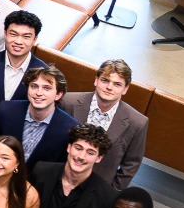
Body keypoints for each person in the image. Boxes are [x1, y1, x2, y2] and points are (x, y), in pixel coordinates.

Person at [62, 59, 149, 189]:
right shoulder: (67, 102)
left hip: (97, 191)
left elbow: (131, 164)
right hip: (60, 178)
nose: (109, 87)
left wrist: (111, 193)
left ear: (125, 89)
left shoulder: (137, 123)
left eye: (117, 84)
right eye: (105, 80)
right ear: (96, 80)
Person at [0, 65, 75, 168]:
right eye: (34, 86)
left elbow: (60, 168)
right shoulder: (6, 110)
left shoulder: (69, 129)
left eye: (46, 88)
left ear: (58, 95)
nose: (38, 93)